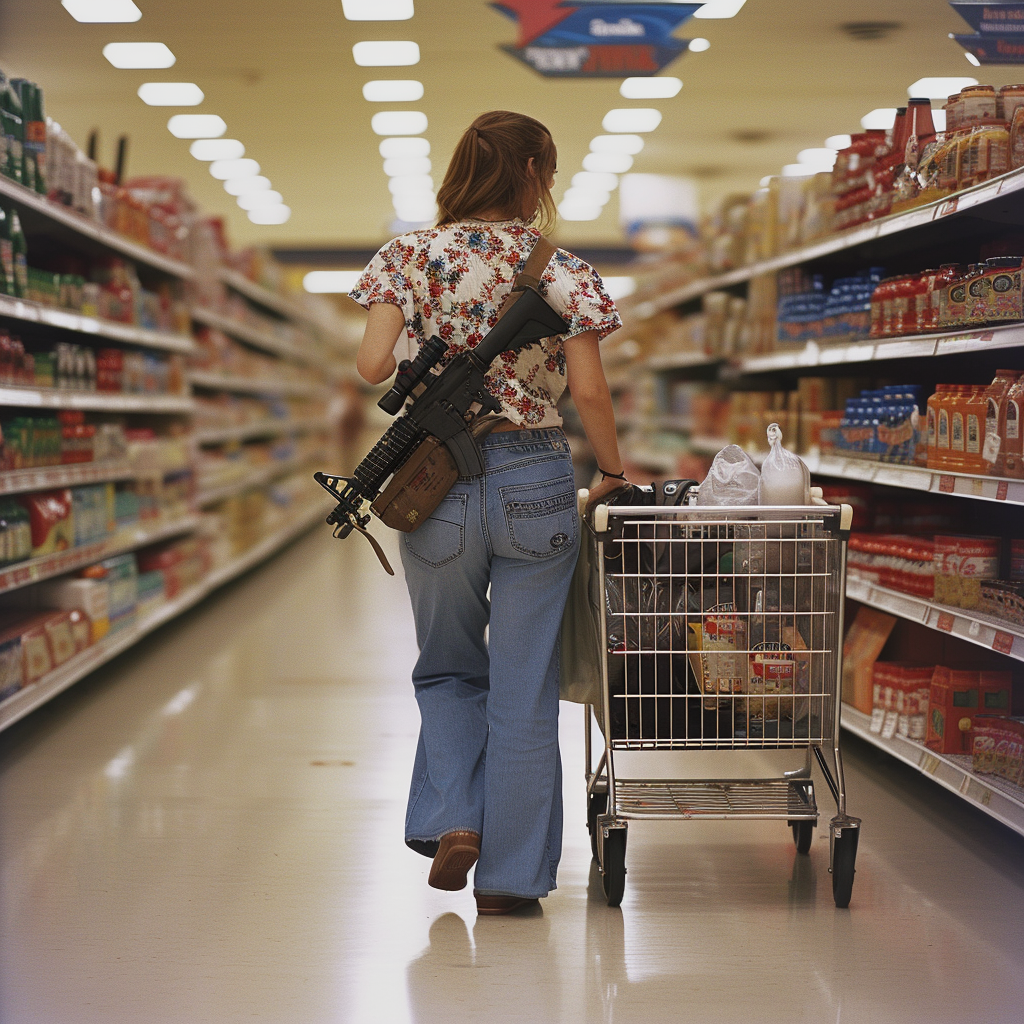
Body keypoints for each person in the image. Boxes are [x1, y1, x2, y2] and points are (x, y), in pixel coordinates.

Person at [350, 110, 627, 915]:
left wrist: (420, 354)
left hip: (432, 483)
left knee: (445, 667)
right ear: (536, 171)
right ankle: (511, 880)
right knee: (525, 678)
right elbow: (590, 392)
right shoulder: (563, 268)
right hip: (537, 475)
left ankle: (453, 821)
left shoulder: (408, 255)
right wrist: (610, 472)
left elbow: (372, 365)